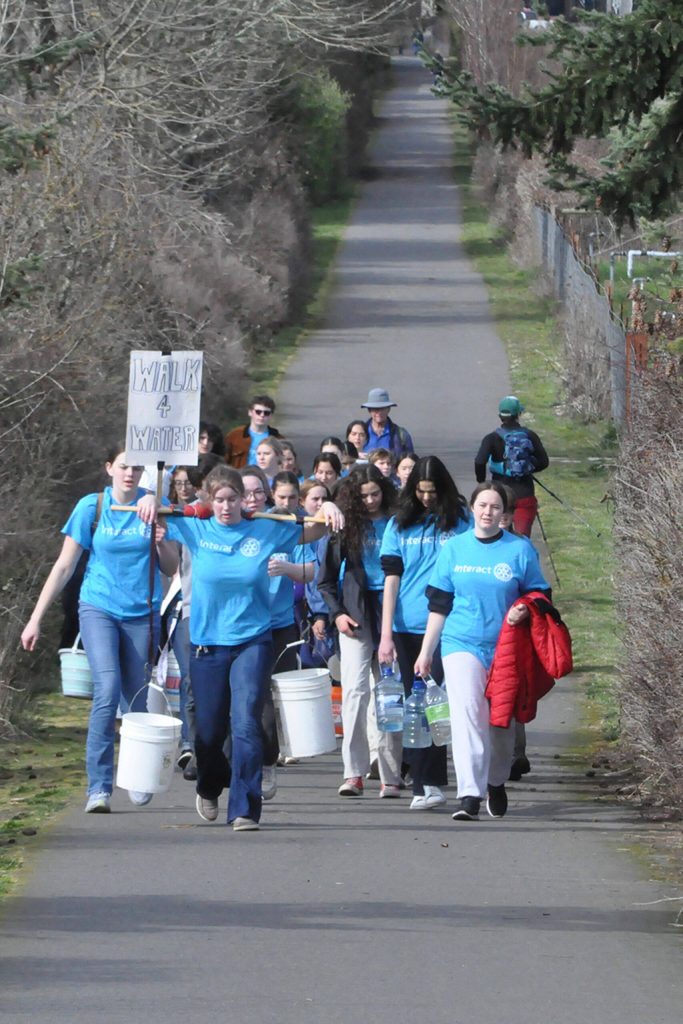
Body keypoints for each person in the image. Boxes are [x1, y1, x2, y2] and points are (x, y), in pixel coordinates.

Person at [141, 465, 343, 831]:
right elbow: (159, 512)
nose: (226, 506)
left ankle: (245, 809)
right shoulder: (196, 526)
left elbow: (312, 528)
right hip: (206, 644)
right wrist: (152, 498)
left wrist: (328, 512)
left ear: (243, 500)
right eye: (218, 500)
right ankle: (207, 784)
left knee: (246, 722)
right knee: (208, 733)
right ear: (209, 500)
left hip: (252, 640)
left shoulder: (265, 527)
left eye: (233, 499)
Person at [20, 445, 179, 814]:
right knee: (107, 690)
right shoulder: (91, 508)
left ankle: (140, 776)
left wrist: (160, 537)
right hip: (99, 608)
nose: (130, 473)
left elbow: (171, 568)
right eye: (123, 466)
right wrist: (35, 618)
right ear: (109, 468)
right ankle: (99, 788)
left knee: (136, 699)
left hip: (142, 612)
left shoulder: (154, 506)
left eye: (136, 468)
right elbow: (63, 566)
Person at [415, 482, 551, 822]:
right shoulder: (455, 549)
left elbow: (540, 596)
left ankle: (496, 780)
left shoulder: (519, 551)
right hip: (461, 643)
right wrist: (426, 650)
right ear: (472, 509)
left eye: (495, 507)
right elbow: (439, 604)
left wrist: (524, 609)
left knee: (500, 725)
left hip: (506, 647)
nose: (488, 512)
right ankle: (469, 795)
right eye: (482, 505)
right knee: (468, 717)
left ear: (504, 514)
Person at [379, 456, 471, 810]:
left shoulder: (461, 522)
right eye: (420, 491)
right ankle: (422, 783)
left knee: (438, 704)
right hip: (407, 624)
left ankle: (432, 782)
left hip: (450, 624)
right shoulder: (398, 525)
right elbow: (390, 580)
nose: (426, 498)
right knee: (413, 704)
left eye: (432, 492)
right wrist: (386, 634)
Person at [317, 464, 401, 798]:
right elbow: (324, 580)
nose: (370, 500)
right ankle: (354, 772)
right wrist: (336, 614)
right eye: (363, 495)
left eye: (375, 494)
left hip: (394, 612)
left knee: (390, 693)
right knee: (354, 692)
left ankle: (391, 774)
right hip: (354, 614)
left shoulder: (398, 521)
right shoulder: (345, 526)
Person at [474, 395, 549, 537]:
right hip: (524, 495)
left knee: (496, 537)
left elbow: (479, 461)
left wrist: (483, 483)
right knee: (522, 539)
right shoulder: (530, 436)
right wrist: (525, 468)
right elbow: (544, 462)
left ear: (499, 416)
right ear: (518, 415)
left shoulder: (491, 438)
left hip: (499, 495)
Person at [224, 395, 283, 469]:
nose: (262, 415)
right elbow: (223, 461)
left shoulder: (278, 439)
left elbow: (286, 465)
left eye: (266, 413)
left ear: (271, 415)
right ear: (250, 412)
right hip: (239, 478)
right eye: (258, 412)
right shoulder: (234, 436)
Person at [360, 387, 415, 458]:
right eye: (375, 409)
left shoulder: (401, 435)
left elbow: (410, 461)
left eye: (382, 408)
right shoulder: (359, 433)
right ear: (369, 410)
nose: (379, 412)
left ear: (388, 409)